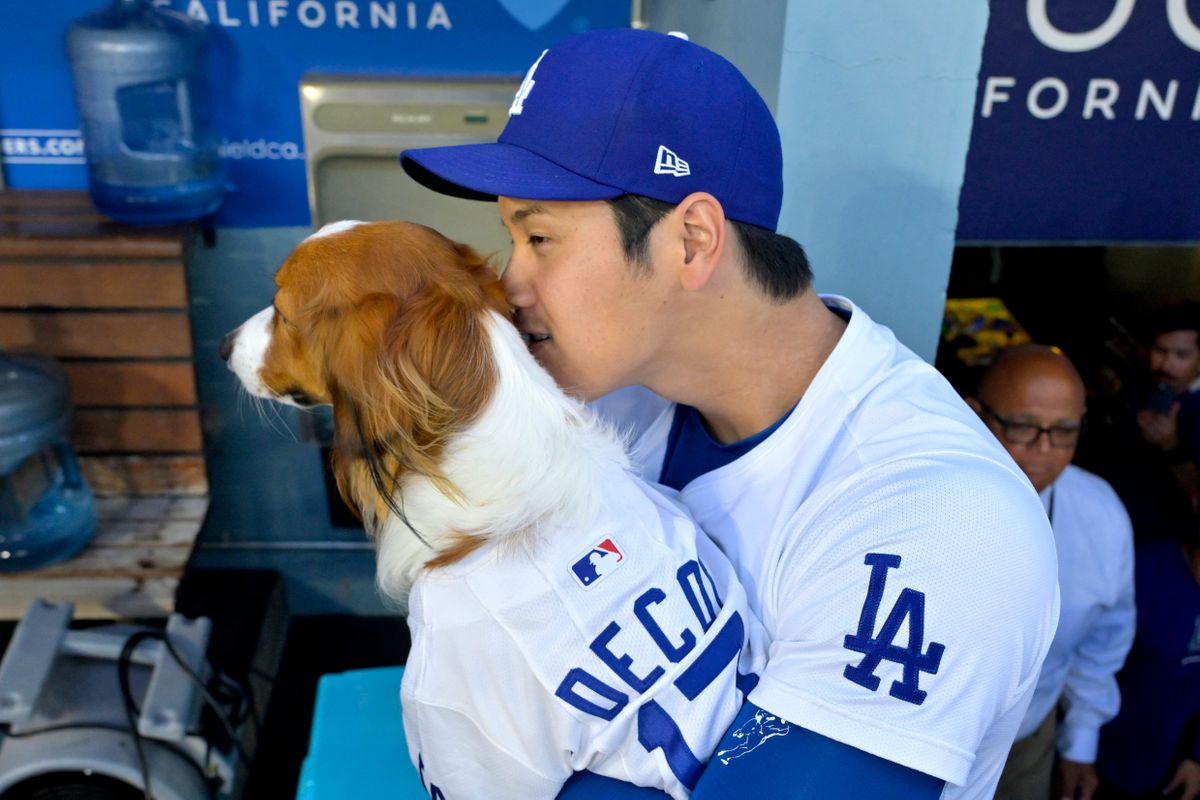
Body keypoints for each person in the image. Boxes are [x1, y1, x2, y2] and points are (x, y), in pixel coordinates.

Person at [399, 27, 1059, 799]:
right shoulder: (608, 395)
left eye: (540, 235)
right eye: (510, 236)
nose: (511, 282)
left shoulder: (938, 520)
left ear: (694, 239)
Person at [966, 345, 1135, 800]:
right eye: (1022, 427)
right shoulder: (910, 496)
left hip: (1027, 741)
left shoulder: (1102, 517)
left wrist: (1080, 742)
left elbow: (1106, 639)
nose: (1043, 450)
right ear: (974, 412)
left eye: (1064, 432)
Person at [1095, 523, 1200, 799]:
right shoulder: (1141, 570)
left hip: (1179, 760)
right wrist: (1077, 751)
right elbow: (1089, 661)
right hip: (1106, 752)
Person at [1105, 304, 1200, 544]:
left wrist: (1171, 446)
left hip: (1164, 538)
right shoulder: (1140, 381)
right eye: (1160, 351)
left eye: (1181, 355)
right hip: (1113, 513)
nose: (1165, 365)